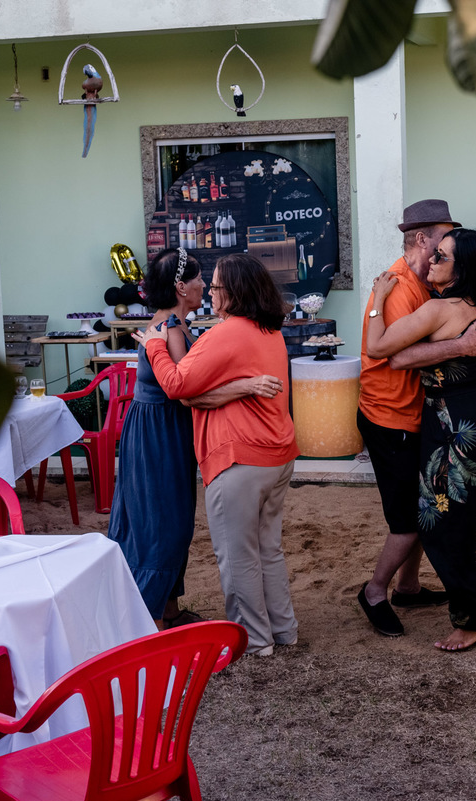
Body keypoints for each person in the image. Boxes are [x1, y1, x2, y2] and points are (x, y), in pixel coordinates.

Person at [365, 227, 476, 651]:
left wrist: (378, 301)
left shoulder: (442, 309)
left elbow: (379, 349)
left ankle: (475, 619)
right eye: (434, 254)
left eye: (441, 256)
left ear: (463, 269)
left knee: (441, 524)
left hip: (453, 423)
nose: (432, 262)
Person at [134, 254, 299, 657]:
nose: (210, 291)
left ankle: (252, 640)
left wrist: (155, 343)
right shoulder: (269, 331)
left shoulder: (227, 335)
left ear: (235, 292)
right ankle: (283, 630)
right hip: (277, 455)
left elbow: (175, 385)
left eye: (217, 287)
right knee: (267, 549)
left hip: (240, 460)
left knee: (238, 555)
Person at [355, 199, 476, 639]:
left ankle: (408, 587)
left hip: (417, 415)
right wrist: (461, 347)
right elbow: (395, 356)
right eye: (442, 237)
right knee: (410, 520)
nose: (445, 247)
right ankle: (375, 591)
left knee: (422, 504)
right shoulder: (397, 286)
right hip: (389, 415)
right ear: (421, 238)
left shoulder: (425, 284)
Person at [109, 247, 260, 629]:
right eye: (198, 279)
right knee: (163, 523)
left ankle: (169, 610)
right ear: (180, 287)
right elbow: (184, 391)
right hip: (158, 433)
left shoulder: (172, 323)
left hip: (158, 428)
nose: (204, 286)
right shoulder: (171, 329)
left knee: (166, 518)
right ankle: (154, 621)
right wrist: (245, 387)